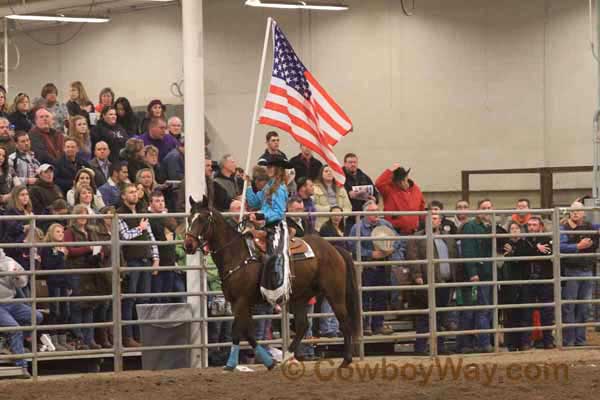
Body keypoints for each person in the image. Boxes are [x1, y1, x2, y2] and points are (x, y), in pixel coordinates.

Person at [350, 200, 405, 336]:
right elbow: (352, 245)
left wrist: (391, 249)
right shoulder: (357, 228)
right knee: (365, 296)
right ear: (365, 213)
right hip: (367, 266)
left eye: (377, 211)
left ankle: (378, 325)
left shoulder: (385, 224)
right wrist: (371, 254)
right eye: (372, 211)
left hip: (384, 264)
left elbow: (398, 239)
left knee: (381, 295)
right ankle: (365, 325)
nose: (376, 214)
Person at [407, 213, 459, 354]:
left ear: (440, 221)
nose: (432, 221)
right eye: (429, 218)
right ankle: (421, 347)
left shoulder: (447, 238)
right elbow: (413, 257)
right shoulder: (417, 237)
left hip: (445, 281)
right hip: (427, 281)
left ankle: (440, 347)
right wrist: (417, 275)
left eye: (435, 218)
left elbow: (454, 256)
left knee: (441, 316)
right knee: (425, 315)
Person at [461, 199, 506, 353]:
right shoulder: (470, 226)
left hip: (492, 273)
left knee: (491, 309)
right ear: (478, 211)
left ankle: (488, 341)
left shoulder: (493, 227)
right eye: (483, 208)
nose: (487, 210)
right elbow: (468, 250)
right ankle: (484, 343)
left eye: (489, 207)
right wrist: (472, 272)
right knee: (483, 309)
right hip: (481, 274)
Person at [117, 183, 160, 347]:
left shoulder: (142, 212)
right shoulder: (120, 214)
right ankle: (128, 336)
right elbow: (125, 236)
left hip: (145, 259)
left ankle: (142, 335)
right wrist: (139, 228)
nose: (134, 195)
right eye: (130, 192)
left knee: (144, 300)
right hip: (132, 260)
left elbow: (151, 237)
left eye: (135, 192)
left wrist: (155, 258)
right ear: (123, 196)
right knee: (130, 299)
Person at [245, 154, 291, 306]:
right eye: (268, 166)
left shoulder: (280, 188)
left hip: (277, 227)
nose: (268, 169)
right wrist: (249, 185)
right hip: (266, 225)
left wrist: (259, 214)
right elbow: (254, 201)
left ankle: (277, 292)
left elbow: (278, 213)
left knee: (275, 255)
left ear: (277, 169)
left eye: (271, 166)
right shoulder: (268, 187)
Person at [506, 217, 555, 350]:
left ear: (541, 226)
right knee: (526, 312)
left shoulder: (547, 238)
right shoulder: (524, 241)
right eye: (529, 225)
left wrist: (532, 249)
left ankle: (548, 341)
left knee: (547, 312)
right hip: (528, 280)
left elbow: (548, 253)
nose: (531, 227)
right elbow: (520, 254)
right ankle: (525, 342)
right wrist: (536, 248)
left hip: (545, 279)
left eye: (534, 225)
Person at [560, 201, 600, 347]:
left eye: (578, 211)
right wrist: (578, 246)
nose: (575, 213)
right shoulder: (563, 228)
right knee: (570, 306)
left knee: (584, 307)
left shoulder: (589, 226)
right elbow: (560, 246)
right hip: (571, 271)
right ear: (569, 212)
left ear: (583, 213)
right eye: (573, 211)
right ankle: (569, 340)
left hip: (587, 270)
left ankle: (580, 339)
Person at [64, 204, 103, 350]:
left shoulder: (91, 231)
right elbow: (70, 250)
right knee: (77, 306)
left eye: (84, 213)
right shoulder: (69, 232)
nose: (82, 216)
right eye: (79, 213)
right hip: (76, 270)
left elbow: (99, 246)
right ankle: (79, 339)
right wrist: (88, 248)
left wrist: (98, 253)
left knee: (89, 307)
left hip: (90, 271)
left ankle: (89, 339)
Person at [0, 249, 43, 378]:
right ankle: (21, 366)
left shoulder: (9, 261)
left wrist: (18, 277)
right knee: (15, 329)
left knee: (36, 317)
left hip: (10, 301)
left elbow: (23, 282)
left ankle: (10, 344)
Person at [40, 223, 74, 352]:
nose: (60, 234)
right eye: (57, 232)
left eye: (61, 232)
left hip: (63, 282)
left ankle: (62, 339)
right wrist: (59, 255)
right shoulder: (47, 248)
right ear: (51, 233)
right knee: (56, 311)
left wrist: (69, 283)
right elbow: (48, 265)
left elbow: (66, 267)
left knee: (66, 312)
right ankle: (54, 341)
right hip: (53, 282)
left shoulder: (64, 248)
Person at [317, 205, 346, 337]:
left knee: (339, 297)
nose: (337, 217)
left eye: (339, 214)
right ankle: (327, 327)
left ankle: (335, 326)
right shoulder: (326, 229)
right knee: (329, 297)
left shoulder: (343, 228)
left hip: (341, 264)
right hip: (330, 265)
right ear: (330, 215)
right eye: (334, 214)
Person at [376, 164, 425, 235]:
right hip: (395, 232)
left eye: (403, 180)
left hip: (414, 233)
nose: (402, 183)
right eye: (398, 181)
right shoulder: (389, 190)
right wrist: (390, 170)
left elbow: (422, 207)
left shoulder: (416, 189)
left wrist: (422, 225)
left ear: (407, 178)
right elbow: (378, 184)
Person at [148, 191, 178, 302]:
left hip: (169, 261)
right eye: (157, 201)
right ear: (150, 203)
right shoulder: (148, 217)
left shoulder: (167, 216)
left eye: (162, 201)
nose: (161, 204)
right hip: (157, 263)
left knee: (167, 297)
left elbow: (174, 230)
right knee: (157, 297)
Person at [342, 153, 378, 234]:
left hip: (364, 216)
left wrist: (374, 199)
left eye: (355, 162)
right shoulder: (341, 177)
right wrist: (349, 194)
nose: (353, 164)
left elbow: (376, 194)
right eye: (350, 162)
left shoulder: (364, 177)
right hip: (348, 216)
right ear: (345, 163)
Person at [313, 165, 352, 231]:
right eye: (326, 171)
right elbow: (313, 207)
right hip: (321, 226)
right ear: (321, 174)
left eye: (331, 171)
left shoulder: (341, 188)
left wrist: (340, 215)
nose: (329, 173)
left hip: (340, 226)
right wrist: (331, 210)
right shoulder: (314, 188)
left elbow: (348, 207)